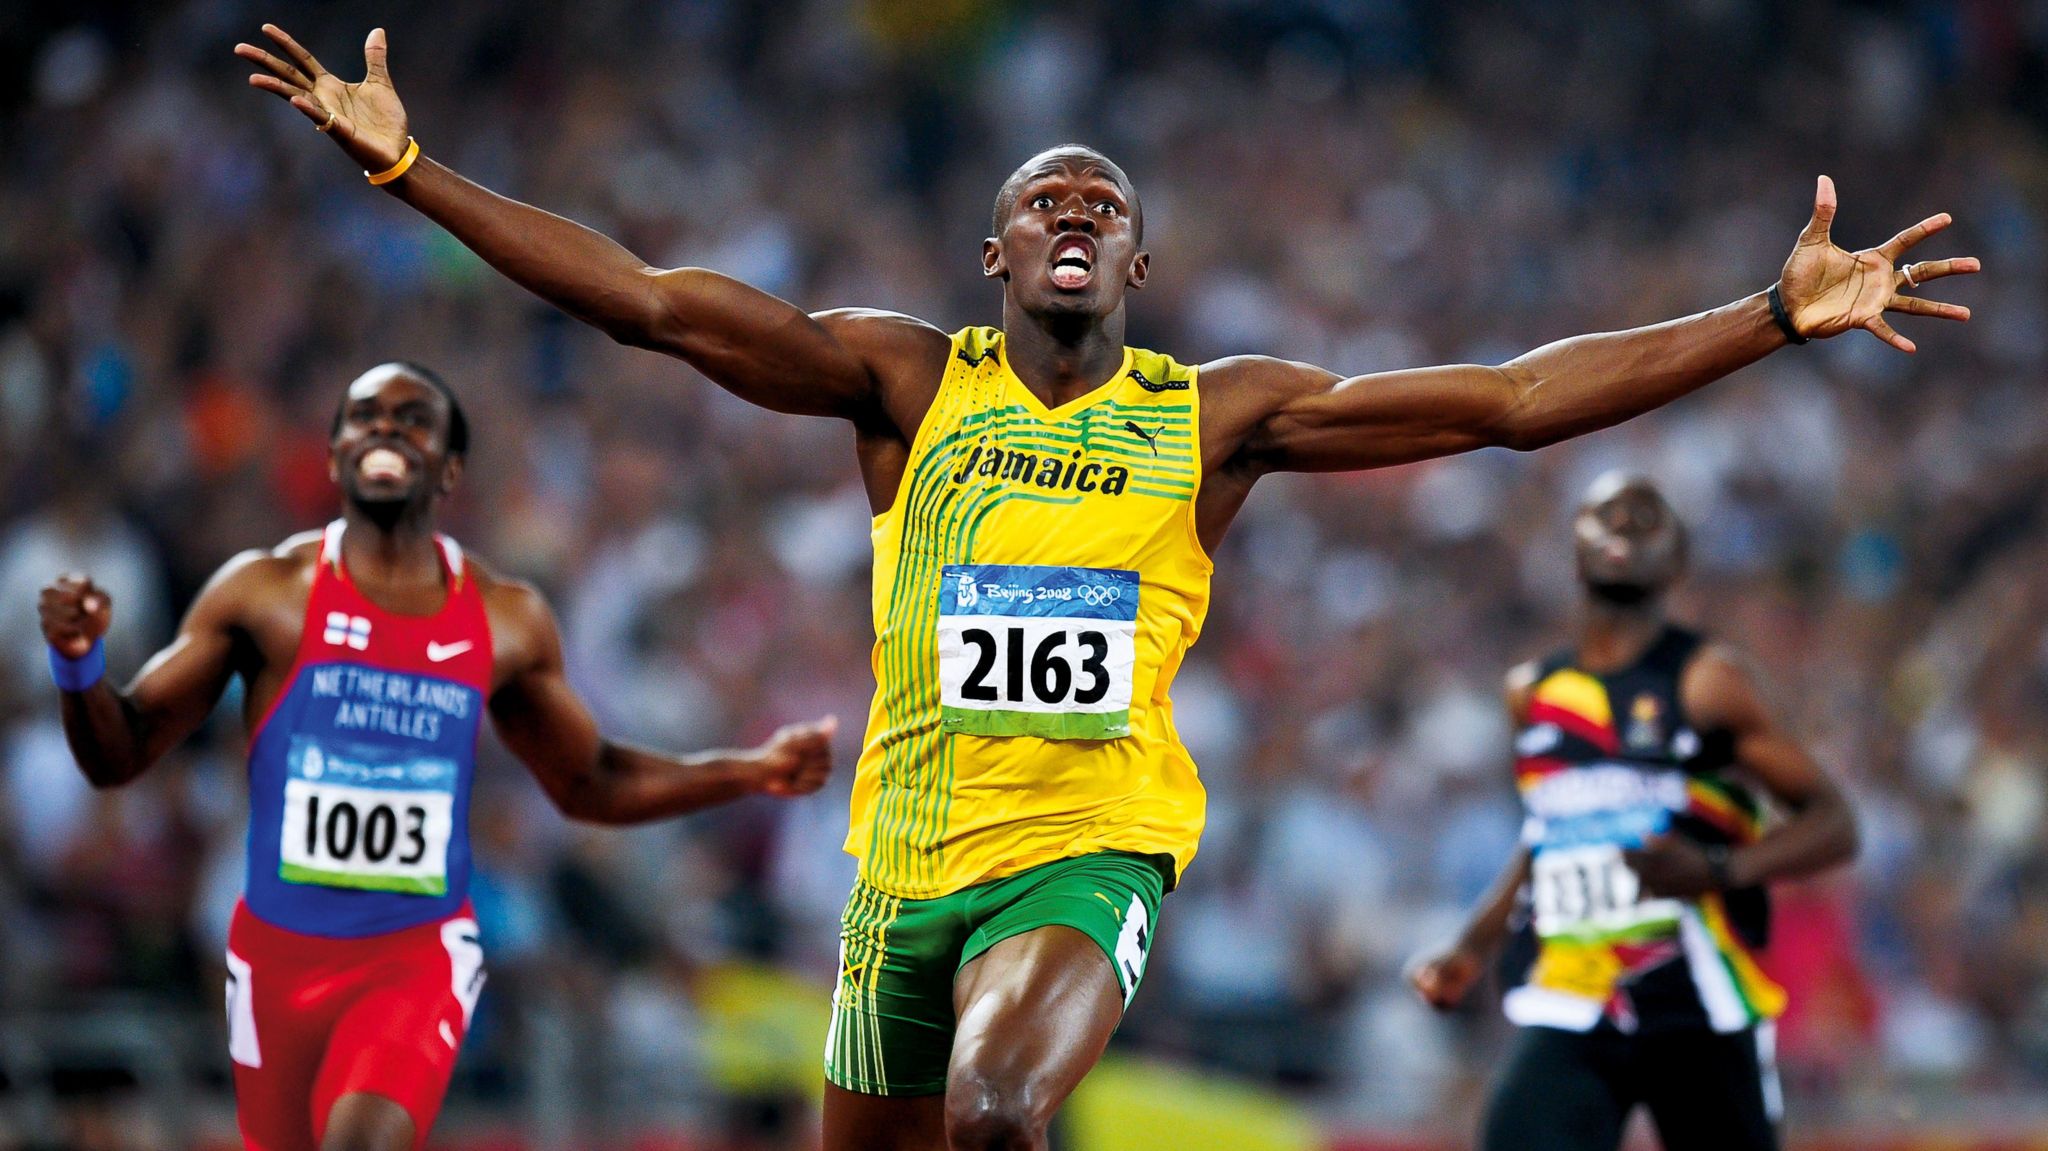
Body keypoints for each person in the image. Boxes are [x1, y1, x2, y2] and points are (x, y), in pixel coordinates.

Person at [234, 24, 1974, 1150]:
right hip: (896, 866)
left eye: (1104, 200)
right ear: (994, 255)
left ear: (1137, 262)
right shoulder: (905, 384)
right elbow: (649, 301)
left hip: (1088, 845)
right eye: (1040, 197)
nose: (1072, 206)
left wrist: (1762, 319)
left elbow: (1513, 402)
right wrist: (407, 168)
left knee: (1000, 1103)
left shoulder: (1215, 418)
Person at [38, 361, 838, 1151]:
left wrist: (745, 768)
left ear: (449, 467)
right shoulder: (263, 593)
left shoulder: (505, 618)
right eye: (364, 417)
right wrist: (78, 662)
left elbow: (589, 781)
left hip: (414, 957)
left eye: (412, 418)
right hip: (282, 955)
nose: (385, 430)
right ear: (334, 456)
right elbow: (121, 752)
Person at [1406, 473, 1860, 1151]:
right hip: (1576, 994)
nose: (1623, 525)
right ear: (1574, 551)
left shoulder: (1709, 680)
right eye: (1605, 514)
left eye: (1645, 517)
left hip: (1694, 1000)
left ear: (1676, 561)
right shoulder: (1532, 693)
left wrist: (1717, 866)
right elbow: (1549, 834)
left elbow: (1833, 822)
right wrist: (1474, 942)